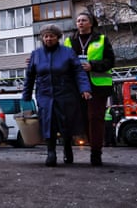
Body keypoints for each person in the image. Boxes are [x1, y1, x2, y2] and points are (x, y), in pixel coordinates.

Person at [22, 24, 92, 167]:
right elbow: (29, 76)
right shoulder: (36, 54)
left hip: (65, 94)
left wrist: (85, 88)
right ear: (42, 38)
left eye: (52, 36)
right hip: (45, 95)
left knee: (66, 123)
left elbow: (79, 72)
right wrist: (26, 95)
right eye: (46, 36)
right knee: (49, 123)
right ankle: (51, 152)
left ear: (58, 38)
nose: (48, 39)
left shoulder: (67, 52)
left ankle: (67, 147)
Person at [64, 12, 115, 166]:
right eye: (78, 20)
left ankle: (96, 154)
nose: (80, 23)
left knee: (95, 118)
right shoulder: (69, 41)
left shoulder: (101, 39)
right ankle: (72, 151)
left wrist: (93, 65)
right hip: (76, 85)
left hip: (98, 86)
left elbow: (110, 61)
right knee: (82, 119)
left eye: (84, 20)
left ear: (91, 23)